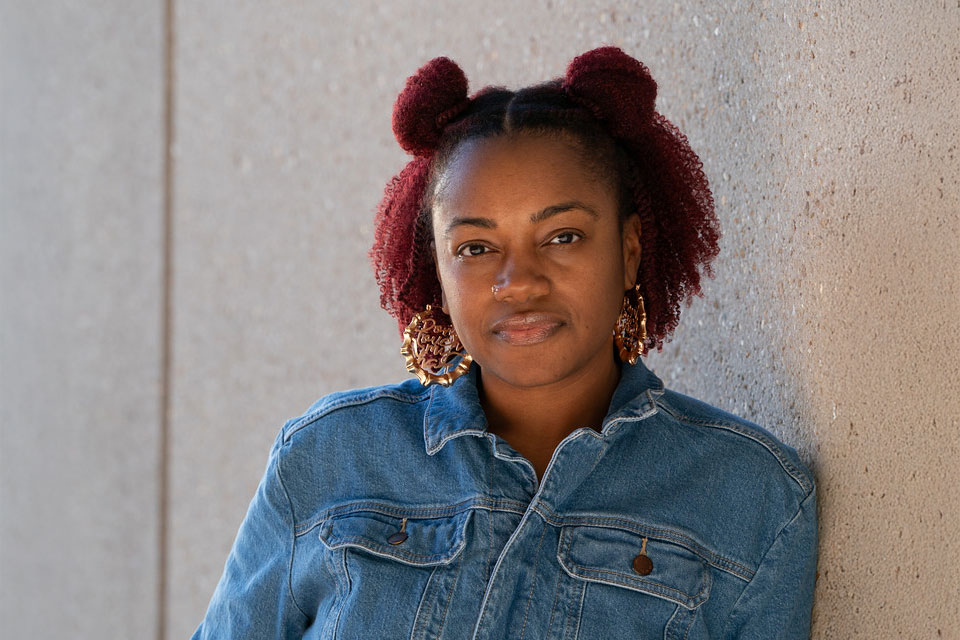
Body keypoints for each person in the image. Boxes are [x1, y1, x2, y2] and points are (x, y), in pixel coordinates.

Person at [193, 47, 818, 639]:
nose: (518, 282)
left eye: (563, 236)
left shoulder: (754, 496)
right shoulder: (329, 461)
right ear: (437, 270)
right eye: (475, 247)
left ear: (629, 251)